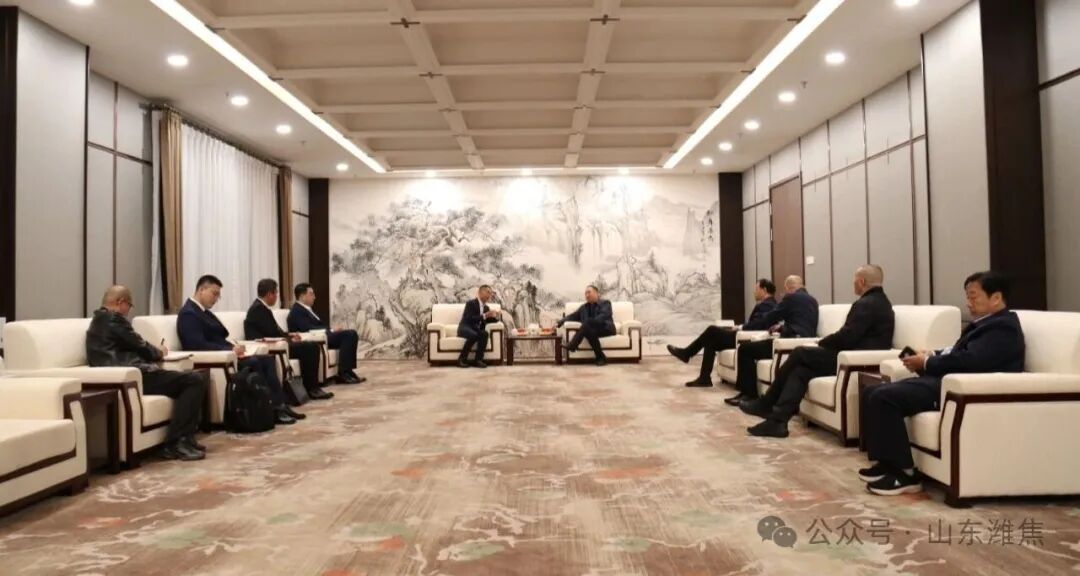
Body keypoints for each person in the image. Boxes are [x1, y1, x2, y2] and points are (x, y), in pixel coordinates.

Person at [860, 271, 1025, 496]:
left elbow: (971, 361)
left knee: (883, 397)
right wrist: (931, 354)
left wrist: (927, 363)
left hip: (962, 388)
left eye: (973, 296)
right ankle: (887, 463)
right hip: (947, 381)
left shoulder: (1003, 328)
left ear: (996, 298)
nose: (968, 303)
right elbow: (958, 351)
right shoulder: (986, 324)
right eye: (967, 297)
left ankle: (905, 474)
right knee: (871, 392)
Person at [741, 265, 895, 438]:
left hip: (852, 359)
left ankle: (766, 403)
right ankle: (777, 422)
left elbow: (847, 337)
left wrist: (821, 343)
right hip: (853, 356)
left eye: (854, 280)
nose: (853, 283)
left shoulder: (866, 304)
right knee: (801, 372)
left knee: (799, 353)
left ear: (862, 281)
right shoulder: (881, 302)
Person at [86, 285, 209, 461]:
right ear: (121, 302)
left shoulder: (99, 320)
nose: (129, 311)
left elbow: (133, 345)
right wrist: (160, 351)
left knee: (191, 380)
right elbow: (142, 346)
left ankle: (186, 438)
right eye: (129, 305)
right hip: (136, 376)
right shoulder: (114, 320)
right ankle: (176, 442)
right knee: (194, 380)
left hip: (127, 376)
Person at [177, 275, 303, 425]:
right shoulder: (189, 313)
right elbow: (197, 345)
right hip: (216, 358)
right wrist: (229, 349)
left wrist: (233, 347)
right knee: (254, 362)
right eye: (214, 293)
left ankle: (279, 405)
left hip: (226, 352)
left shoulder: (203, 311)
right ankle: (268, 409)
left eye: (218, 295)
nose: (216, 299)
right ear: (202, 289)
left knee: (268, 360)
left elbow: (218, 337)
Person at [725, 275, 820, 406]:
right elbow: (801, 323)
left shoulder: (791, 297)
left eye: (785, 290)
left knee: (745, 349)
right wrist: (781, 327)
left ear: (789, 288)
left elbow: (772, 316)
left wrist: (760, 321)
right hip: (805, 342)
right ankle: (745, 393)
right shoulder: (813, 301)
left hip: (787, 344)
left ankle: (748, 394)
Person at [666, 278, 779, 388]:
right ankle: (704, 377)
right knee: (710, 341)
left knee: (712, 330)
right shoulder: (769, 304)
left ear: (764, 290)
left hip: (746, 337)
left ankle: (687, 354)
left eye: (756, 289)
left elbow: (758, 325)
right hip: (745, 335)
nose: (754, 292)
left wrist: (741, 327)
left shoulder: (767, 305)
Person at [244, 278, 333, 400]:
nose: (277, 296)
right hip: (271, 347)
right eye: (276, 293)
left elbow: (275, 331)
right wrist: (288, 339)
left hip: (278, 343)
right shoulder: (258, 309)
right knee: (310, 348)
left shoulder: (262, 307)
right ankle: (312, 388)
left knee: (310, 346)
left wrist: (289, 335)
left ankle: (312, 387)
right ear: (270, 294)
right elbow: (271, 333)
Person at [288, 283, 365, 384]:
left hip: (323, 336)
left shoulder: (307, 309)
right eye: (311, 294)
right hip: (315, 338)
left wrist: (331, 330)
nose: (314, 297)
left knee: (351, 334)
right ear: (302, 296)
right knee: (349, 335)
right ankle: (344, 373)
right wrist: (331, 330)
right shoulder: (297, 311)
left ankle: (348, 370)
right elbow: (307, 328)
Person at [557, 285, 615, 366]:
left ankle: (573, 345)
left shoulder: (605, 303)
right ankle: (601, 358)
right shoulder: (584, 307)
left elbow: (604, 316)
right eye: (585, 293)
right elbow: (573, 316)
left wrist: (591, 322)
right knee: (588, 329)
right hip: (592, 330)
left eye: (589, 292)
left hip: (606, 328)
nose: (587, 295)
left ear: (596, 293)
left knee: (588, 322)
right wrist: (560, 322)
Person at [457, 285, 499, 368]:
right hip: (465, 327)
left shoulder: (486, 308)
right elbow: (470, 318)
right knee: (474, 335)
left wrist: (496, 317)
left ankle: (478, 360)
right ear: (480, 293)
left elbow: (487, 320)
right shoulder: (471, 303)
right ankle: (461, 359)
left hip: (475, 329)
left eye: (490, 293)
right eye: (488, 292)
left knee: (484, 334)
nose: (489, 295)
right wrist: (485, 315)